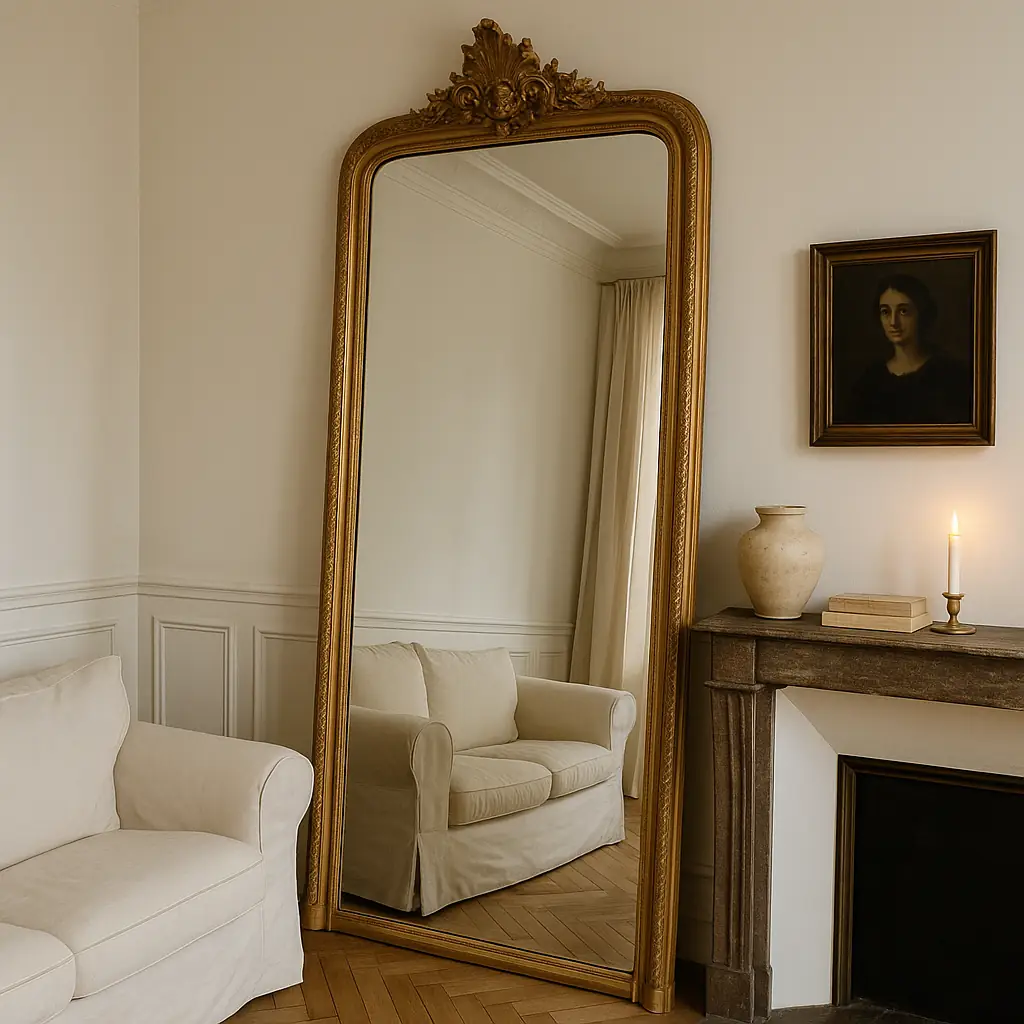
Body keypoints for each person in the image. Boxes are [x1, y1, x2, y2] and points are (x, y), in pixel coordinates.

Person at [842, 274, 972, 425]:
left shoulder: (951, 375)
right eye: (885, 312)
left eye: (903, 311)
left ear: (922, 313)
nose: (893, 322)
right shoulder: (870, 381)